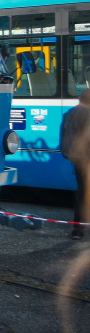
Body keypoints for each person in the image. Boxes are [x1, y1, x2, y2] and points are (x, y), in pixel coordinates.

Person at [60, 88, 90, 239]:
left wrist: (72, 156)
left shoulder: (69, 114)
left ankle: (77, 231)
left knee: (82, 194)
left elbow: (63, 140)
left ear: (79, 99)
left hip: (78, 160)